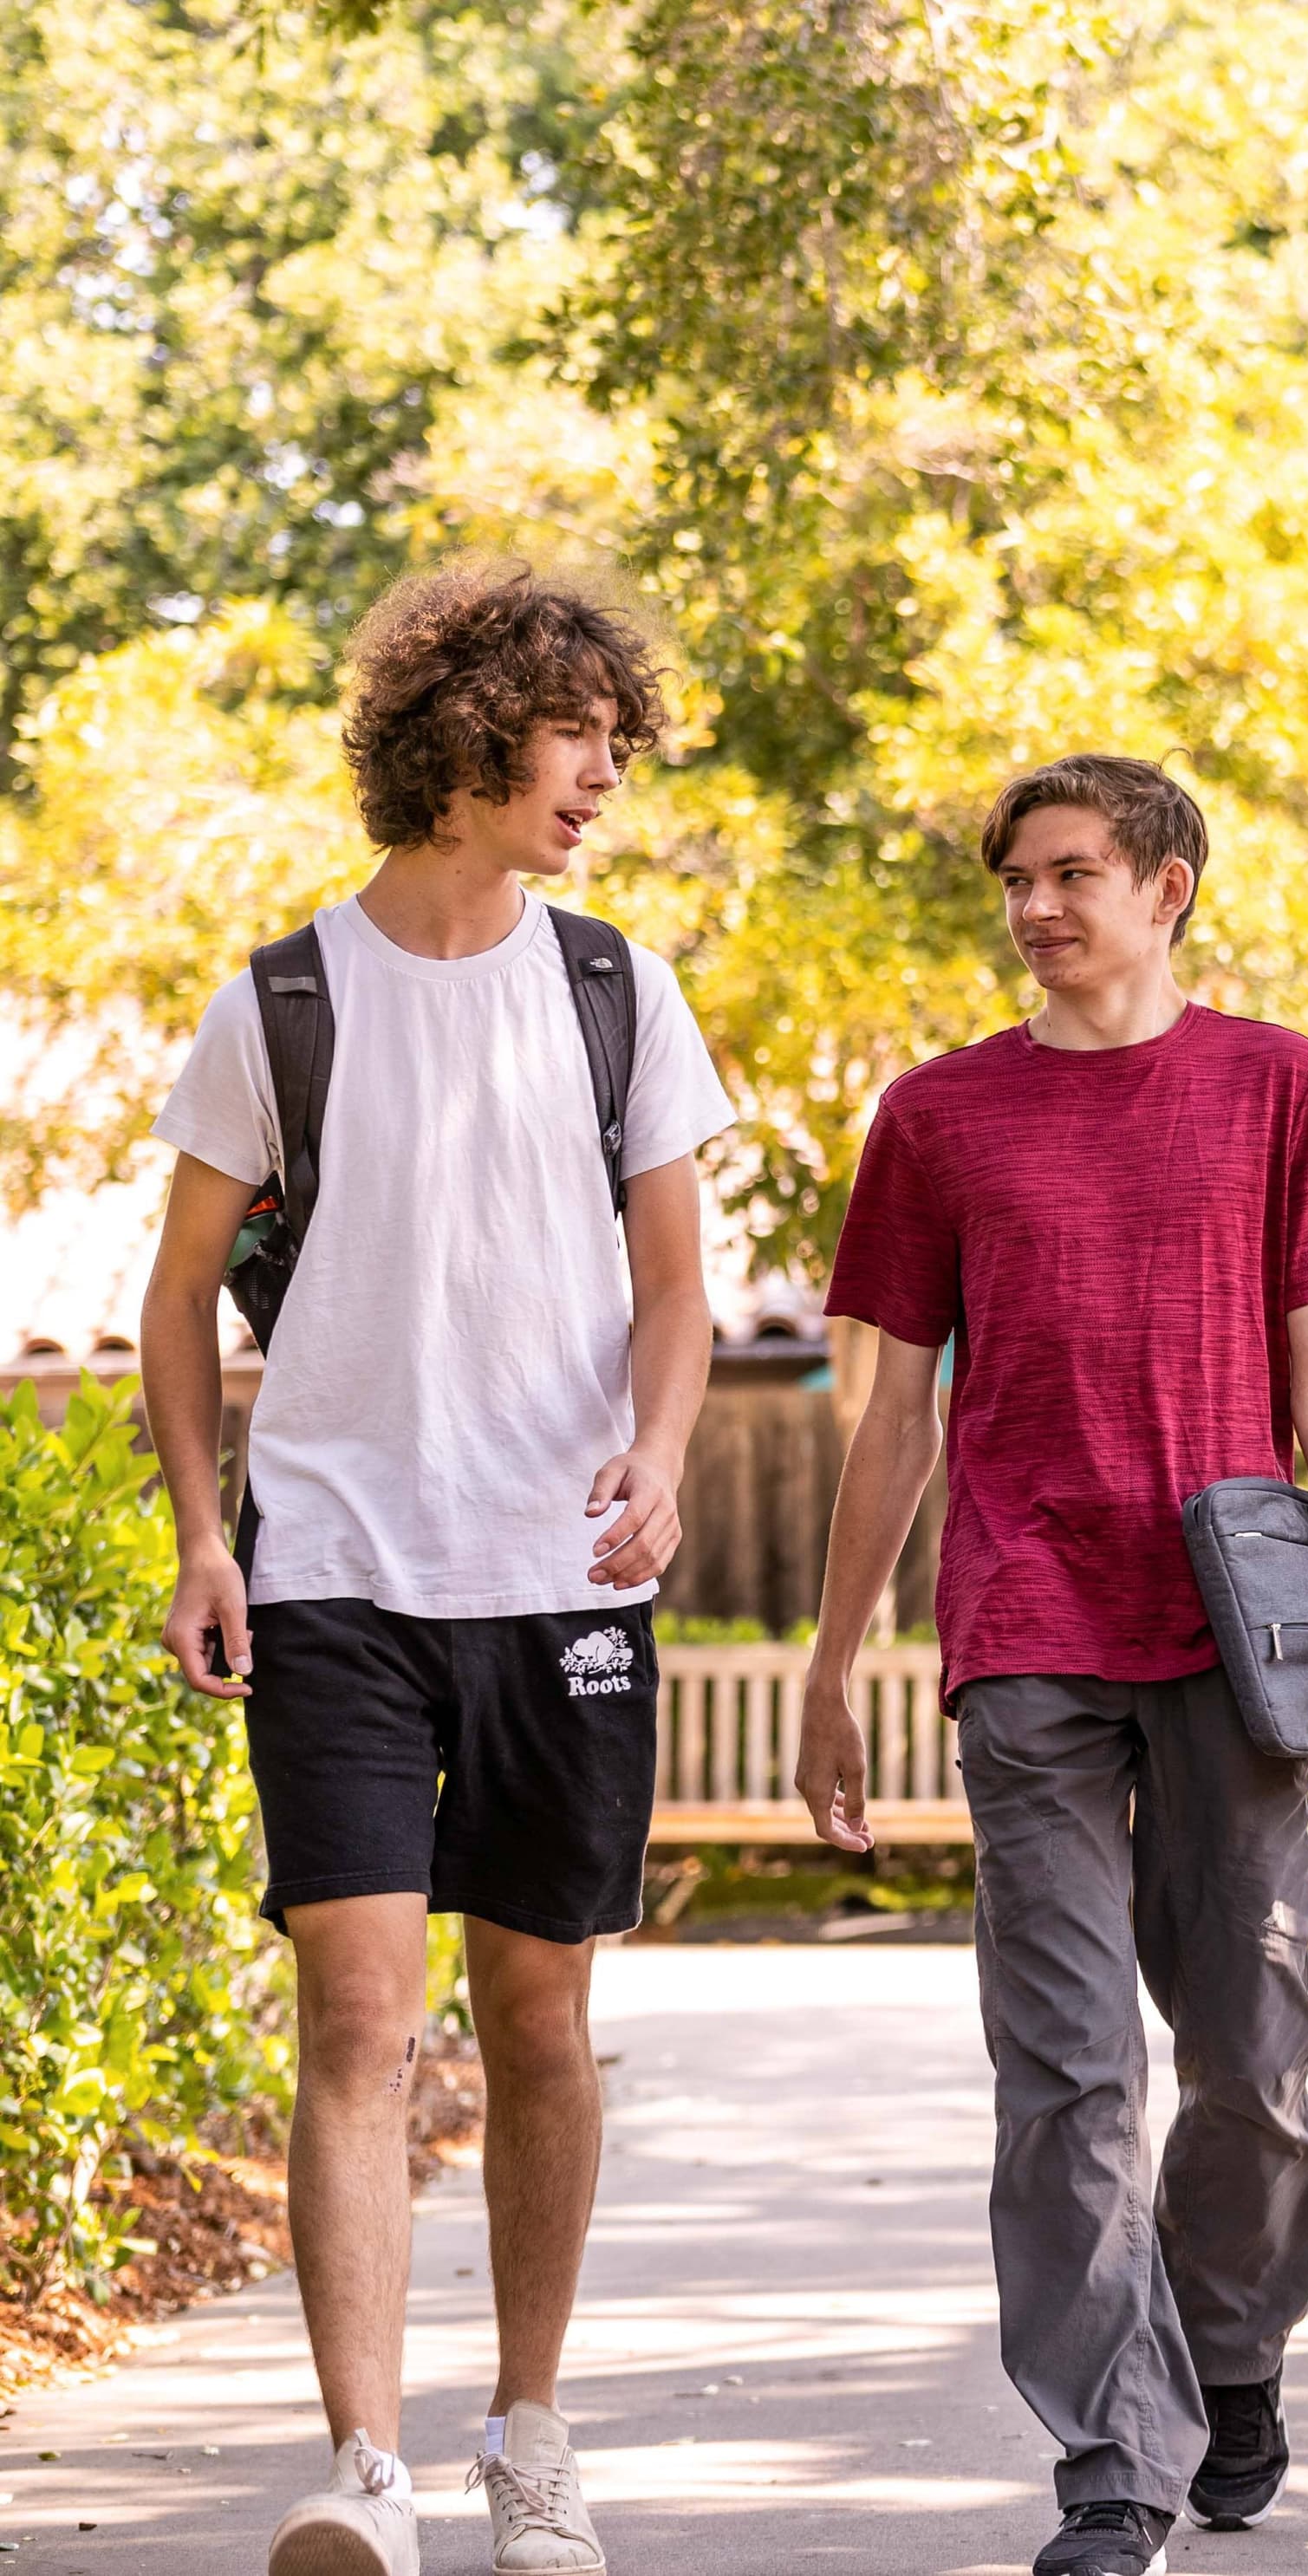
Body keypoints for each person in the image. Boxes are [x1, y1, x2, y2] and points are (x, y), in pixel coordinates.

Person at [139, 562, 732, 2576]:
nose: (600, 777)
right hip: (338, 1580)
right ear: (466, 734)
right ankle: (364, 2465)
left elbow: (677, 1289)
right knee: (358, 2022)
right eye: (574, 737)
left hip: (559, 1579)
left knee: (544, 2021)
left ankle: (530, 2435)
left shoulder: (614, 989)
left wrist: (655, 1456)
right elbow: (178, 1295)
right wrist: (208, 1533)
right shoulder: (281, 999)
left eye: (614, 744)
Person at [791, 753, 1308, 2576]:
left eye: (1074, 874)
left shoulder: (1278, 1086)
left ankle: (1229, 2352)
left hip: (1233, 1638)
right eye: (1019, 881)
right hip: (1026, 1629)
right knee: (1065, 2068)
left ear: (1169, 889)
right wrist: (840, 1656)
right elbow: (894, 1416)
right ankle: (1115, 2458)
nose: (1039, 908)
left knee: (1252, 2064)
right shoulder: (937, 1121)